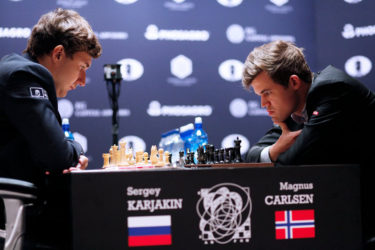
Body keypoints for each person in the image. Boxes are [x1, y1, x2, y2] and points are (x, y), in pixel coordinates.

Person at [242, 40, 375, 247]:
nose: (263, 104)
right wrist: (275, 149)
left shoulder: (332, 91)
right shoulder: (293, 109)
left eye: (267, 93)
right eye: (260, 95)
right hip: (348, 214)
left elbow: (293, 165)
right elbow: (252, 155)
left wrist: (279, 155)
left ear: (294, 82)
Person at [0, 8, 102, 248]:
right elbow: (57, 155)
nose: (82, 81)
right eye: (82, 67)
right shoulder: (24, 75)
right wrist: (76, 150)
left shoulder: (17, 69)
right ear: (58, 54)